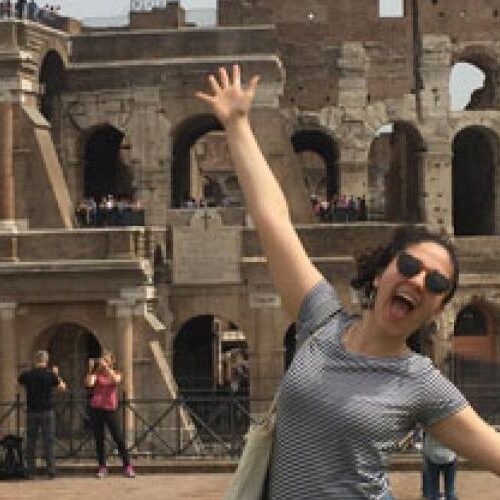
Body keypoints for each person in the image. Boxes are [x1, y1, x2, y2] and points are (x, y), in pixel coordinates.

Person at [196, 65, 500, 499]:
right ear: (381, 273)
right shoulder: (320, 319)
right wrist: (238, 125)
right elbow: (273, 222)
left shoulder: (421, 382)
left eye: (436, 283)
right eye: (410, 266)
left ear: (437, 307)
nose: (419, 281)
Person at [84, 350, 135, 478]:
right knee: (99, 438)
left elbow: (116, 380)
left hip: (110, 409)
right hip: (97, 408)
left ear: (112, 362)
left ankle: (127, 466)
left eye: (106, 360)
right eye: (102, 360)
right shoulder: (97, 373)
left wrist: (107, 368)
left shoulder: (116, 372)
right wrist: (91, 370)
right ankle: (102, 466)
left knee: (118, 438)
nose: (103, 362)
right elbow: (89, 383)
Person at [18, 350, 66, 479]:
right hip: (46, 411)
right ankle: (51, 470)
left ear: (36, 360)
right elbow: (62, 387)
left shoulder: (28, 374)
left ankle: (30, 471)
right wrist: (57, 374)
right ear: (46, 361)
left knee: (31, 442)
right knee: (48, 442)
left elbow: (19, 380)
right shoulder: (50, 375)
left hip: (32, 412)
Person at [423, 432, 458, 500]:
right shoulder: (452, 422)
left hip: (432, 456)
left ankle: (434, 496)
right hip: (449, 456)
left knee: (433, 491)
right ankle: (450, 496)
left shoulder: (428, 422)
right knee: (450, 491)